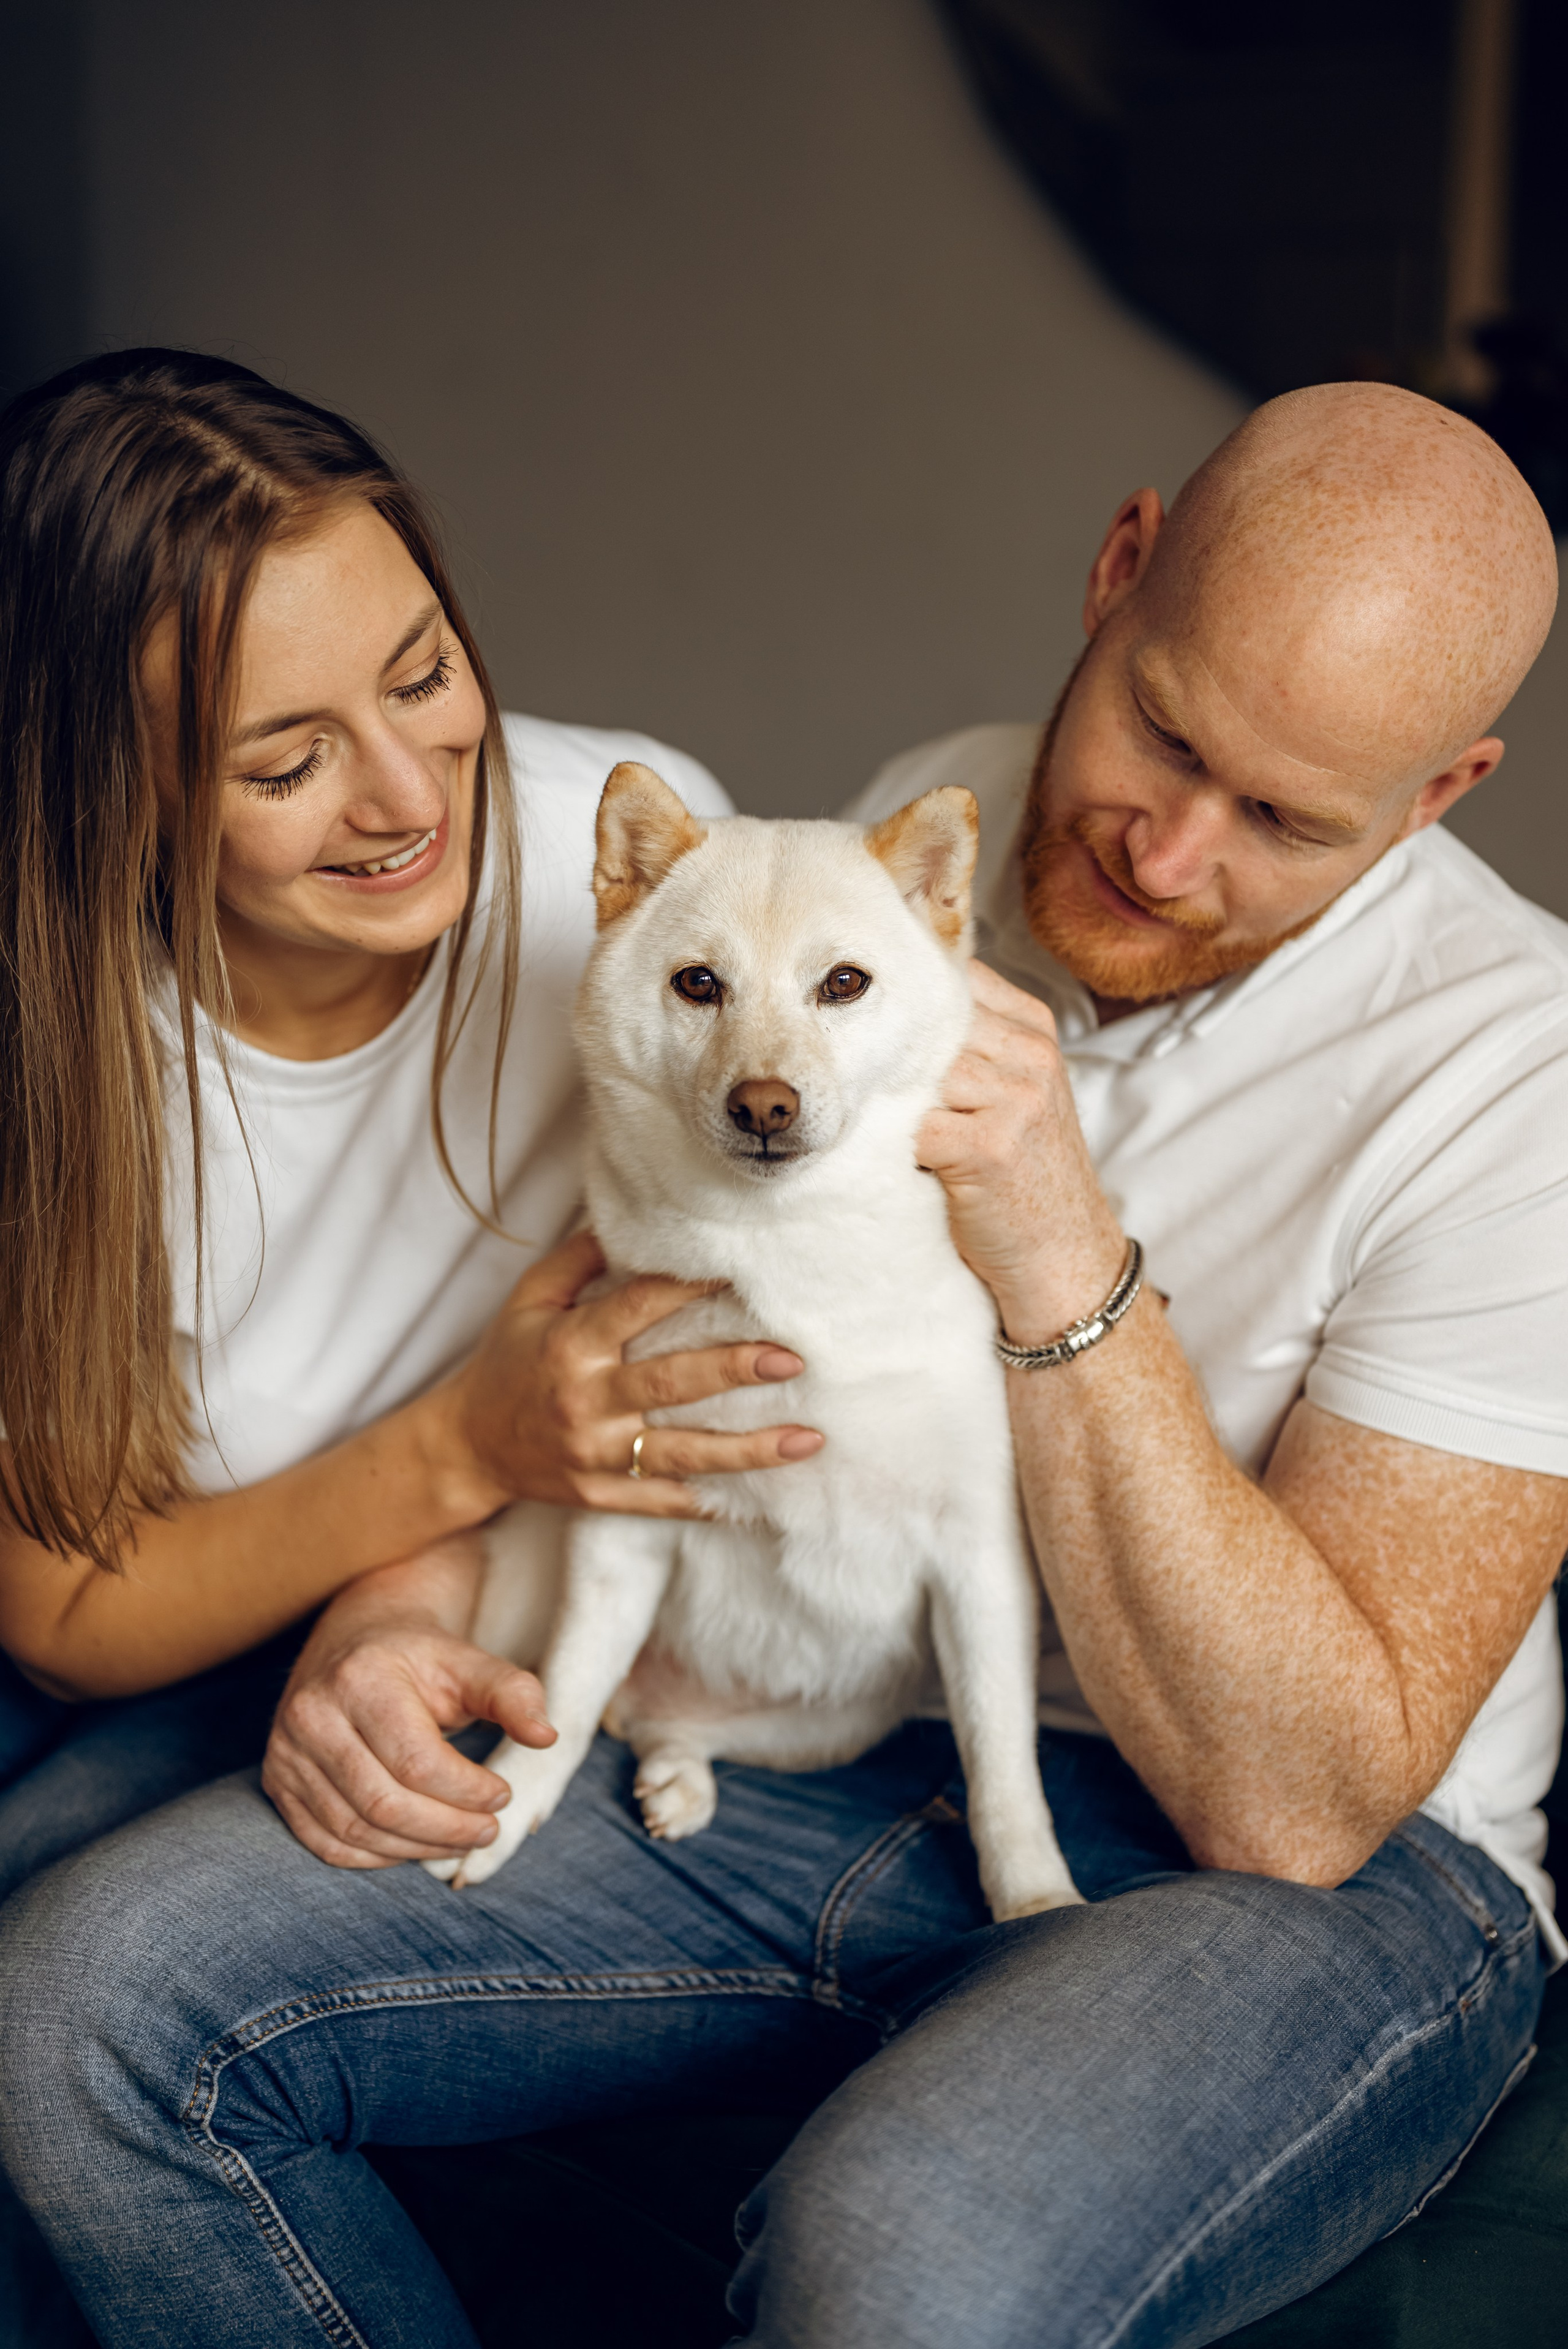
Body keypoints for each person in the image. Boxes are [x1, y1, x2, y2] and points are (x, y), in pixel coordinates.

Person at [1, 375, 1565, 2349]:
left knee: (893, 2265)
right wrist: (400, 1611)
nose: (1169, 850)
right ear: (1120, 564)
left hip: (1297, 1869)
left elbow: (1308, 1803)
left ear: (1439, 797)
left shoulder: (1523, 1078)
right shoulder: (920, 822)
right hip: (816, 1724)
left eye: (1284, 821)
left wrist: (1057, 1235)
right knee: (81, 2009)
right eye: (1165, 732)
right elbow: (600, 1306)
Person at [0, 347, 820, 2340]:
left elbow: (717, 1328)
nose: (401, 793)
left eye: (424, 671)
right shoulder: (52, 1033)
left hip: (479, 1615)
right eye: (282, 762)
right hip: (141, 1646)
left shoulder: (625, 859)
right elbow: (63, 1601)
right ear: (108, 797)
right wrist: (458, 1452)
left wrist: (403, 1589)